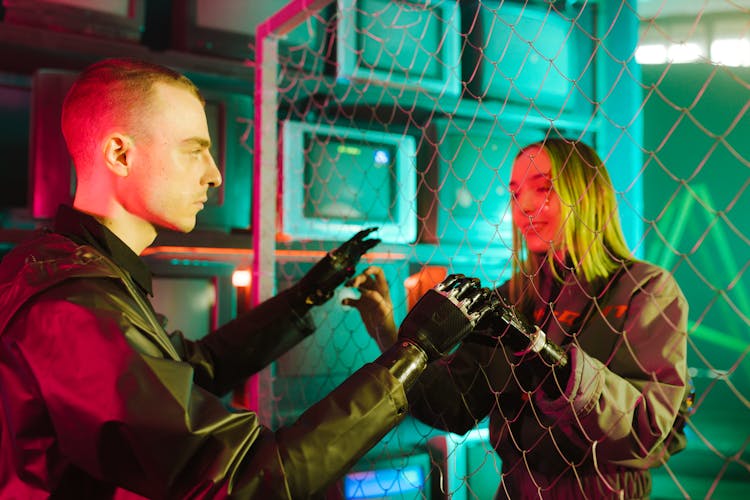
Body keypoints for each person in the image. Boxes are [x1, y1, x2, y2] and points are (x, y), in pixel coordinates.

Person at [0, 58, 496, 499]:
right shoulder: (73, 308)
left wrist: (308, 295)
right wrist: (414, 354)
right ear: (120, 154)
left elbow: (193, 368)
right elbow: (241, 480)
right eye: (194, 150)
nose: (216, 174)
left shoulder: (70, 270)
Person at [346, 138, 692, 499]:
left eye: (544, 188)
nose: (524, 205)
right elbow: (454, 408)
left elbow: (647, 429)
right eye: (514, 194)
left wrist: (552, 363)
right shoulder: (507, 300)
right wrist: (391, 338)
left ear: (589, 196)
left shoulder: (645, 290)